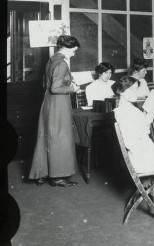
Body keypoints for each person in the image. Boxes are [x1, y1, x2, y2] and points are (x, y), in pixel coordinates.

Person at [112, 76, 154, 206]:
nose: (136, 93)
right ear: (121, 92)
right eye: (132, 90)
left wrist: (149, 115)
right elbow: (134, 139)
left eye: (136, 90)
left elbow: (141, 128)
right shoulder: (126, 112)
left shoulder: (128, 109)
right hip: (140, 156)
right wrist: (150, 115)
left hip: (141, 150)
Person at [29, 35, 81, 187]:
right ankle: (57, 177)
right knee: (60, 137)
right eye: (74, 51)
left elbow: (49, 83)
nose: (74, 53)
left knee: (46, 136)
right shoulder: (62, 64)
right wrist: (72, 88)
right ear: (67, 48)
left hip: (49, 103)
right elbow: (55, 88)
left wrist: (67, 81)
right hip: (58, 104)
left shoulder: (52, 60)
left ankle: (42, 173)